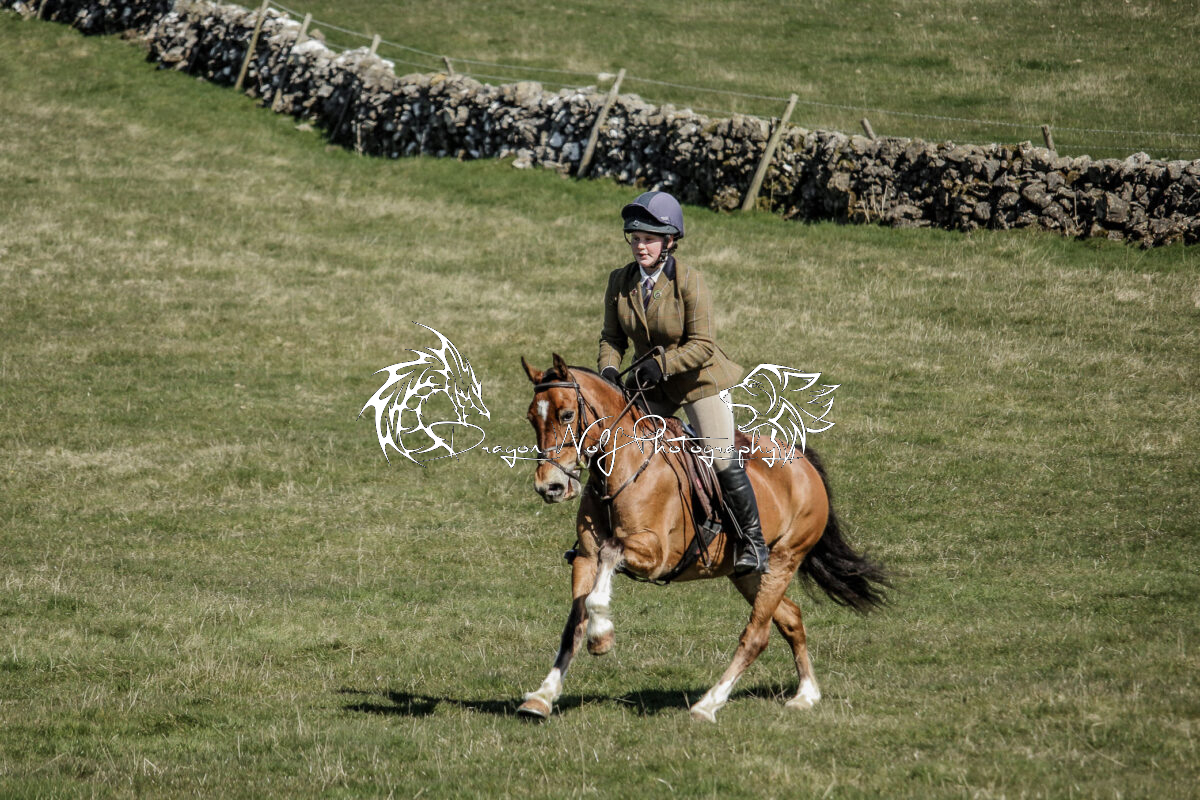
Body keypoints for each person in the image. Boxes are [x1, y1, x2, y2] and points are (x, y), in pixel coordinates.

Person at [597, 191, 769, 575]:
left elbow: (703, 345)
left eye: (649, 239)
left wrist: (661, 364)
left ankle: (753, 543)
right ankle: (601, 536)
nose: (640, 246)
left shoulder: (690, 281)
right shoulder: (620, 281)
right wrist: (608, 371)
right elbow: (612, 338)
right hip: (651, 386)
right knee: (614, 447)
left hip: (698, 381)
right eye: (635, 238)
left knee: (720, 456)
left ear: (669, 241)